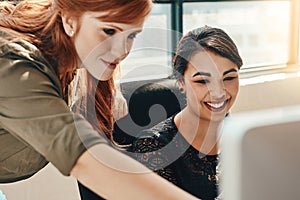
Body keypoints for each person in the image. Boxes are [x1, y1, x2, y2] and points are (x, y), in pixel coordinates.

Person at [0, 0, 199, 199]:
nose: (122, 51)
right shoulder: (15, 66)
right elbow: (86, 160)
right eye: (109, 31)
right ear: (69, 21)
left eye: (131, 35)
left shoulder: (68, 61)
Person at [128, 26, 243, 200]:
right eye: (203, 81)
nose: (218, 92)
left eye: (229, 78)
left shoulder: (242, 134)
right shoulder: (153, 148)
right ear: (181, 82)